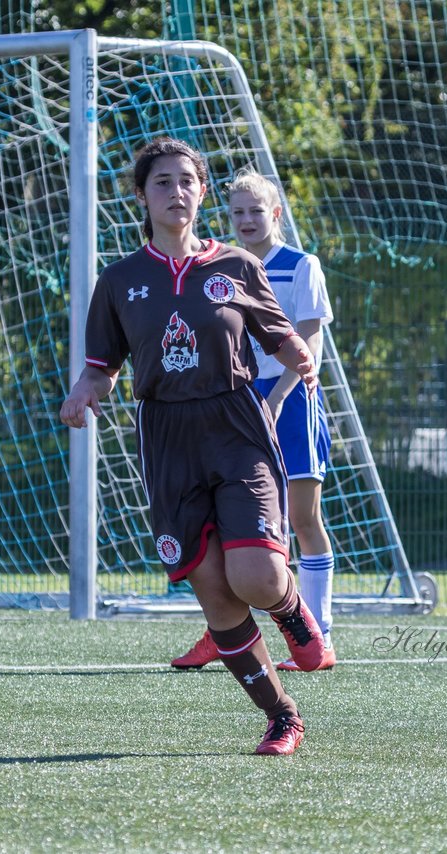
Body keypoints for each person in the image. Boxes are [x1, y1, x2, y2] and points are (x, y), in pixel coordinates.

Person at [60, 138, 326, 756]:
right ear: (140, 196)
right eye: (161, 182)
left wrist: (297, 356)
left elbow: (278, 333)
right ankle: (282, 716)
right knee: (212, 587)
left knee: (256, 576)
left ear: (203, 192)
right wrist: (83, 390)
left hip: (236, 424)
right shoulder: (121, 281)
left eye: (186, 181)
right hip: (167, 437)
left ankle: (289, 610)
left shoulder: (235, 266)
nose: (175, 192)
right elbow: (102, 365)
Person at [172, 169, 339, 672]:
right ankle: (222, 628)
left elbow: (309, 339)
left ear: (276, 214)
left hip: (289, 399)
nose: (246, 219)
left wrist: (284, 392)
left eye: (255, 210)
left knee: (301, 518)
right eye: (237, 211)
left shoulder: (301, 266)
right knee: (232, 523)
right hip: (233, 401)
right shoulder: (222, 264)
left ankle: (320, 634)